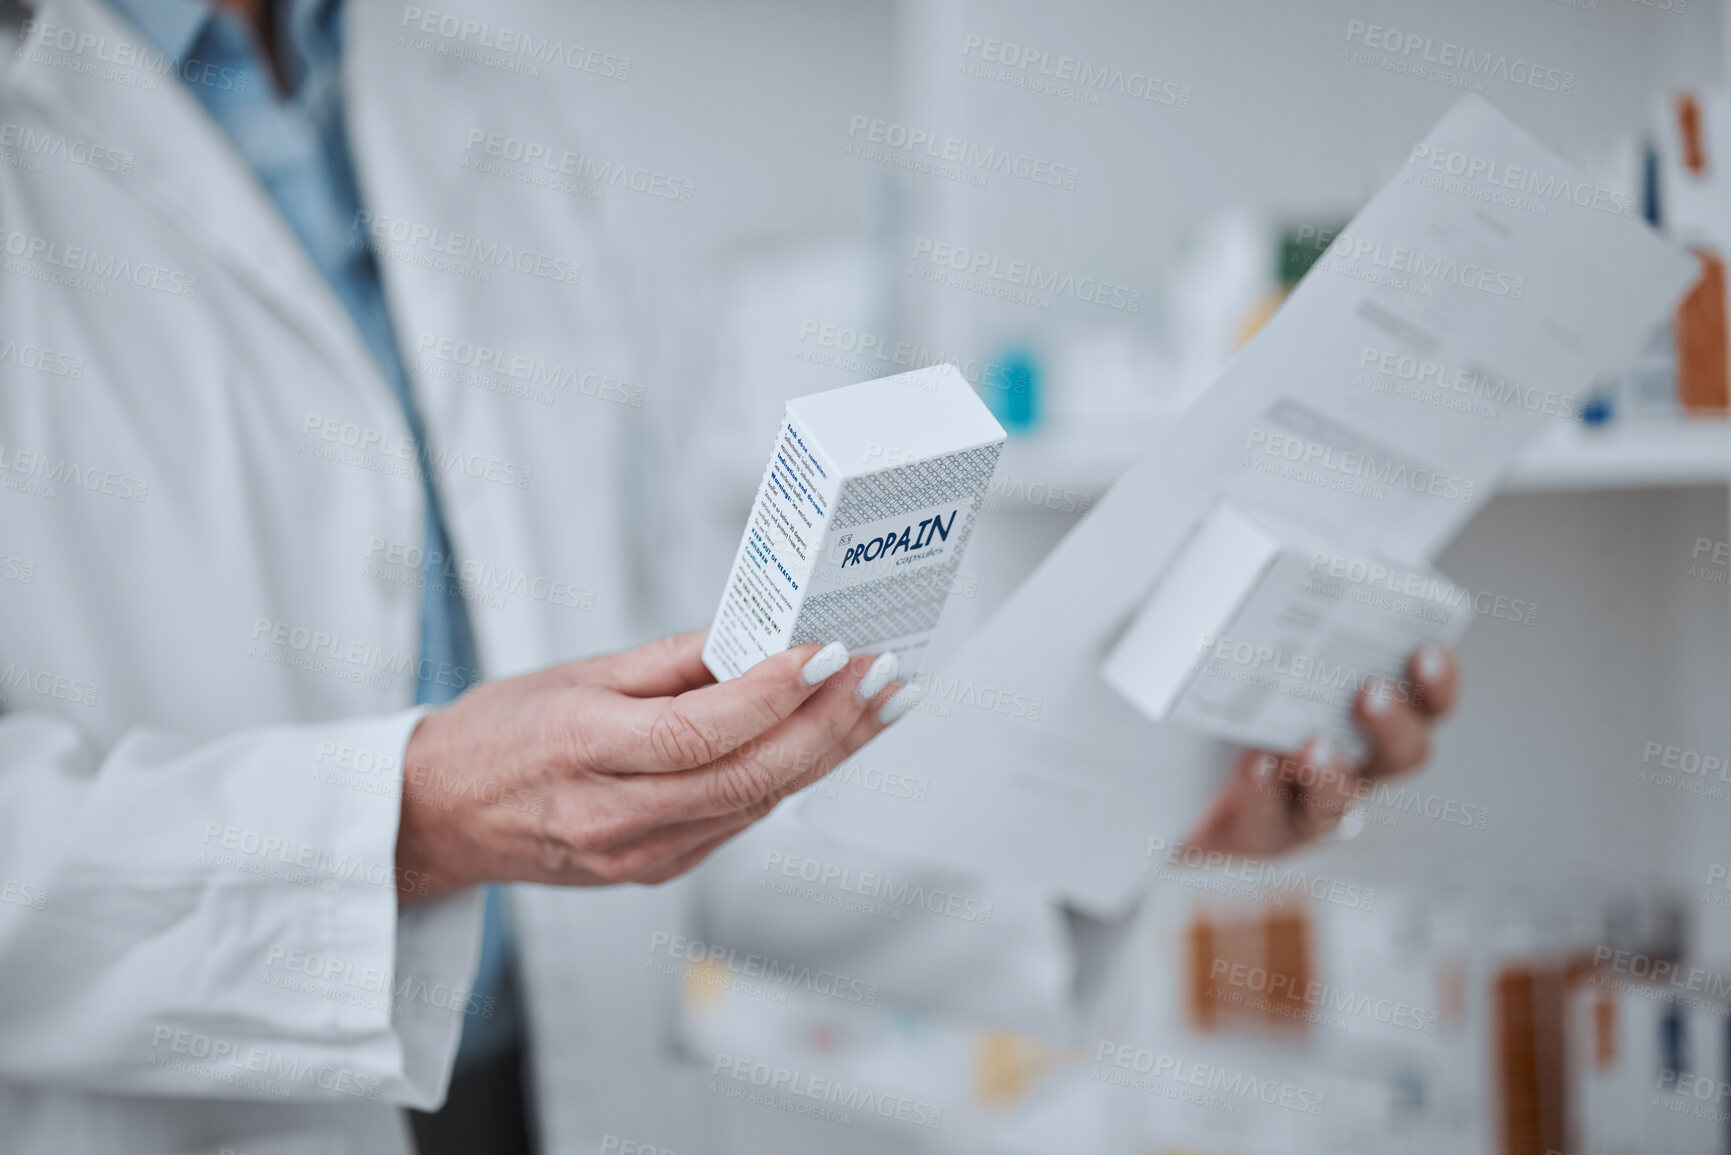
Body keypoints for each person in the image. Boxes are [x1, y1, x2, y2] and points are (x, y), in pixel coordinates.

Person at [0, 0, 1458, 1151]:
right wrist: (404, 825)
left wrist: (1127, 810)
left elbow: (701, 737)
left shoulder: (495, 120)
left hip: (568, 1099)